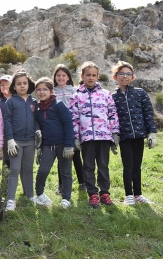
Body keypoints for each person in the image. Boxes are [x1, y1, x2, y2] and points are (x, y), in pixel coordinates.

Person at [69, 61, 119, 208]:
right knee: (88, 166)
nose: (90, 78)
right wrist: (76, 136)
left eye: (93, 75)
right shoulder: (76, 96)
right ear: (82, 76)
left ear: (97, 76)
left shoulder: (106, 94)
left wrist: (115, 133)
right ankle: (93, 194)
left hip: (104, 136)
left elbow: (112, 114)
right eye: (87, 75)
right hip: (87, 137)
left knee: (103, 165)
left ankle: (104, 193)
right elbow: (74, 118)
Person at [111, 61, 157, 205]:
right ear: (115, 77)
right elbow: (111, 116)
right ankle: (128, 195)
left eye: (128, 74)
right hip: (124, 137)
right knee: (128, 166)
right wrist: (114, 135)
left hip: (139, 135)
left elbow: (148, 113)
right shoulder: (112, 97)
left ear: (133, 77)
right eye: (121, 74)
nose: (124, 77)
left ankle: (138, 194)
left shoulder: (140, 93)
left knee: (137, 165)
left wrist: (152, 133)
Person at [34, 77, 74, 208]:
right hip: (47, 145)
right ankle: (39, 194)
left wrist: (69, 145)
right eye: (38, 89)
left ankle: (66, 198)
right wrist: (39, 147)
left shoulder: (59, 105)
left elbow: (68, 124)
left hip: (63, 145)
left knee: (65, 171)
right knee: (43, 170)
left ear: (51, 91)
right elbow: (38, 128)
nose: (41, 92)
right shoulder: (38, 109)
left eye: (45, 89)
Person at [4, 70, 38, 211]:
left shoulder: (34, 102)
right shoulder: (10, 101)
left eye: (25, 83)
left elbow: (37, 119)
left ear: (29, 84)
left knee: (28, 169)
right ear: (14, 86)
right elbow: (7, 121)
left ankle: (30, 195)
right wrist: (10, 139)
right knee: (14, 169)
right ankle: (11, 199)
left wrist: (37, 130)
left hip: (30, 141)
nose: (22, 86)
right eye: (19, 84)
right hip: (15, 142)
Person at [53, 64, 85, 193]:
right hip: (58, 128)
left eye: (63, 75)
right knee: (61, 157)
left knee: (76, 156)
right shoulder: (52, 91)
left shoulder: (74, 90)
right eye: (58, 75)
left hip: (72, 128)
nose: (61, 78)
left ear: (68, 77)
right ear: (55, 77)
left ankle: (83, 182)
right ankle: (61, 185)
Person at [0, 75, 13, 169]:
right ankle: (5, 183)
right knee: (6, 164)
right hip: (5, 137)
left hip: (17, 136)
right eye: (2, 84)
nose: (4, 86)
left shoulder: (17, 100)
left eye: (7, 84)